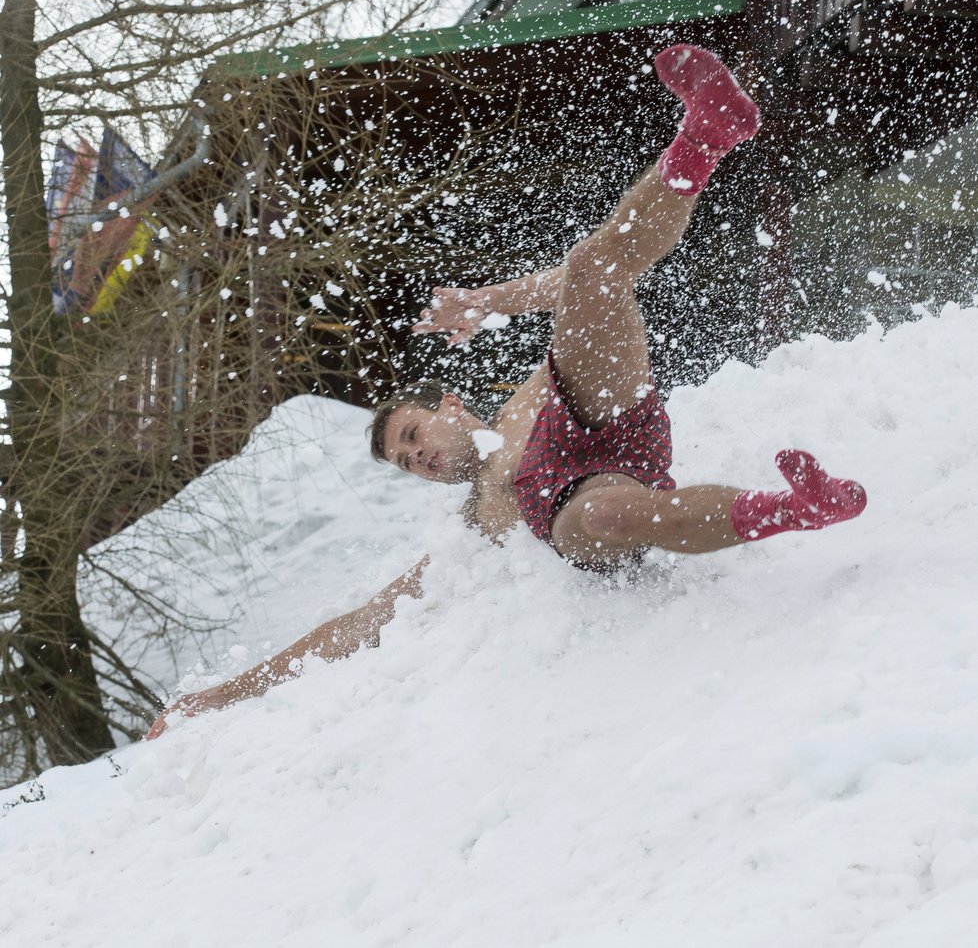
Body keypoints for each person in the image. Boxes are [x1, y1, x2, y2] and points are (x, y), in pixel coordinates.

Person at [147, 46, 866, 739]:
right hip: (577, 506)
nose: (416, 456)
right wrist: (222, 695)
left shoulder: (527, 395)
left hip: (604, 418)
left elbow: (569, 288)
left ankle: (708, 134)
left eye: (411, 435)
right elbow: (357, 627)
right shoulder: (475, 525)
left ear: (452, 406)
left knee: (592, 267)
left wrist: (491, 300)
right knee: (614, 513)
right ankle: (793, 508)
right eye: (405, 462)